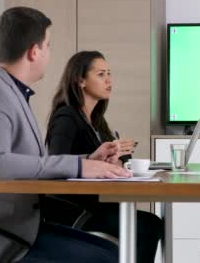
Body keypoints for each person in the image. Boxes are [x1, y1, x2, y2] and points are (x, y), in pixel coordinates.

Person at [0, 7, 131, 263]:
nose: (50, 54)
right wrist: (79, 166)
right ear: (34, 51)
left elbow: (28, 160)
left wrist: (89, 158)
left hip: (16, 227)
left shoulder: (10, 92)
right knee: (103, 259)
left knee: (112, 252)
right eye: (48, 46)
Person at [42, 50, 163, 263]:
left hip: (98, 204)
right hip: (76, 210)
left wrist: (116, 155)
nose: (109, 79)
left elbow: (112, 162)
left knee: (150, 223)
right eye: (100, 74)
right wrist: (92, 157)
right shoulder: (67, 116)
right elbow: (55, 161)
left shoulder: (97, 120)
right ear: (80, 80)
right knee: (149, 225)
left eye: (109, 73)